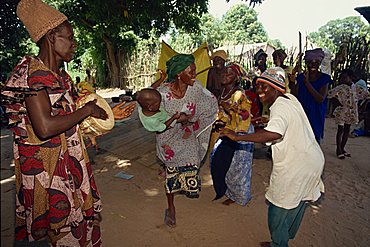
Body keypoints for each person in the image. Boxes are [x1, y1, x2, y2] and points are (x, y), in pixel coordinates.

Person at [0, 0, 107, 245]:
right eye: (69, 37)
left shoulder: (62, 77)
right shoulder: (31, 75)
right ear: (51, 37)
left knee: (77, 229)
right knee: (60, 231)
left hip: (67, 164)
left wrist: (94, 116)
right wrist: (86, 111)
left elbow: (68, 115)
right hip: (46, 173)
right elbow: (45, 127)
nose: (74, 44)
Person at [222, 67, 325, 247]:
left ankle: (278, 243)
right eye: (257, 87)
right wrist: (267, 120)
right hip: (313, 161)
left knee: (277, 209)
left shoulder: (279, 106)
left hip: (297, 166)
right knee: (297, 202)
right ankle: (284, 237)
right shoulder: (290, 99)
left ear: (276, 89)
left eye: (264, 87)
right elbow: (284, 122)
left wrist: (238, 137)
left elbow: (274, 134)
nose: (259, 91)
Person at [156, 53, 218, 227]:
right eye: (191, 71)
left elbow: (210, 103)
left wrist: (191, 118)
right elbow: (151, 117)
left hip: (186, 132)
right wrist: (176, 119)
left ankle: (184, 183)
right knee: (172, 170)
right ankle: (170, 207)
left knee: (192, 160)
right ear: (178, 74)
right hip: (167, 136)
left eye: (194, 71)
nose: (194, 75)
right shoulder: (162, 94)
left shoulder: (196, 88)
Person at [210, 64, 255, 206]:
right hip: (228, 131)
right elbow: (222, 115)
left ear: (236, 78)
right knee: (219, 160)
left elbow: (243, 115)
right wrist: (219, 121)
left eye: (229, 74)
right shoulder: (223, 91)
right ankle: (227, 192)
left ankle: (240, 197)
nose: (224, 75)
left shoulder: (239, 94)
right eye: (223, 73)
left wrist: (226, 107)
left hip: (242, 132)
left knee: (239, 167)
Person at [290, 48, 333, 143]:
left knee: (314, 141)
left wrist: (307, 83)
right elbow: (295, 95)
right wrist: (292, 80)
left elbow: (320, 99)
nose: (313, 64)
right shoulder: (301, 77)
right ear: (306, 63)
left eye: (316, 62)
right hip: (302, 114)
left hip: (316, 115)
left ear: (319, 63)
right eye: (310, 61)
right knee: (300, 140)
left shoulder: (325, 79)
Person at [327, 69, 369, 159]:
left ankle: (342, 148)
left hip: (351, 112)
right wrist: (337, 103)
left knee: (347, 130)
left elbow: (365, 94)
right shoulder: (340, 88)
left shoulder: (356, 88)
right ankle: (338, 149)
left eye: (345, 77)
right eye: (341, 78)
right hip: (342, 111)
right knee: (340, 130)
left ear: (351, 78)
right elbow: (330, 95)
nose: (342, 79)